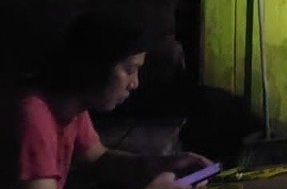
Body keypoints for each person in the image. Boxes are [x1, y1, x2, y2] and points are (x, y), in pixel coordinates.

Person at [3, 10, 212, 189]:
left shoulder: (73, 107)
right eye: (129, 70)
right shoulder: (33, 115)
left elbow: (98, 158)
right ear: (97, 66)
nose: (134, 83)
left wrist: (162, 165)